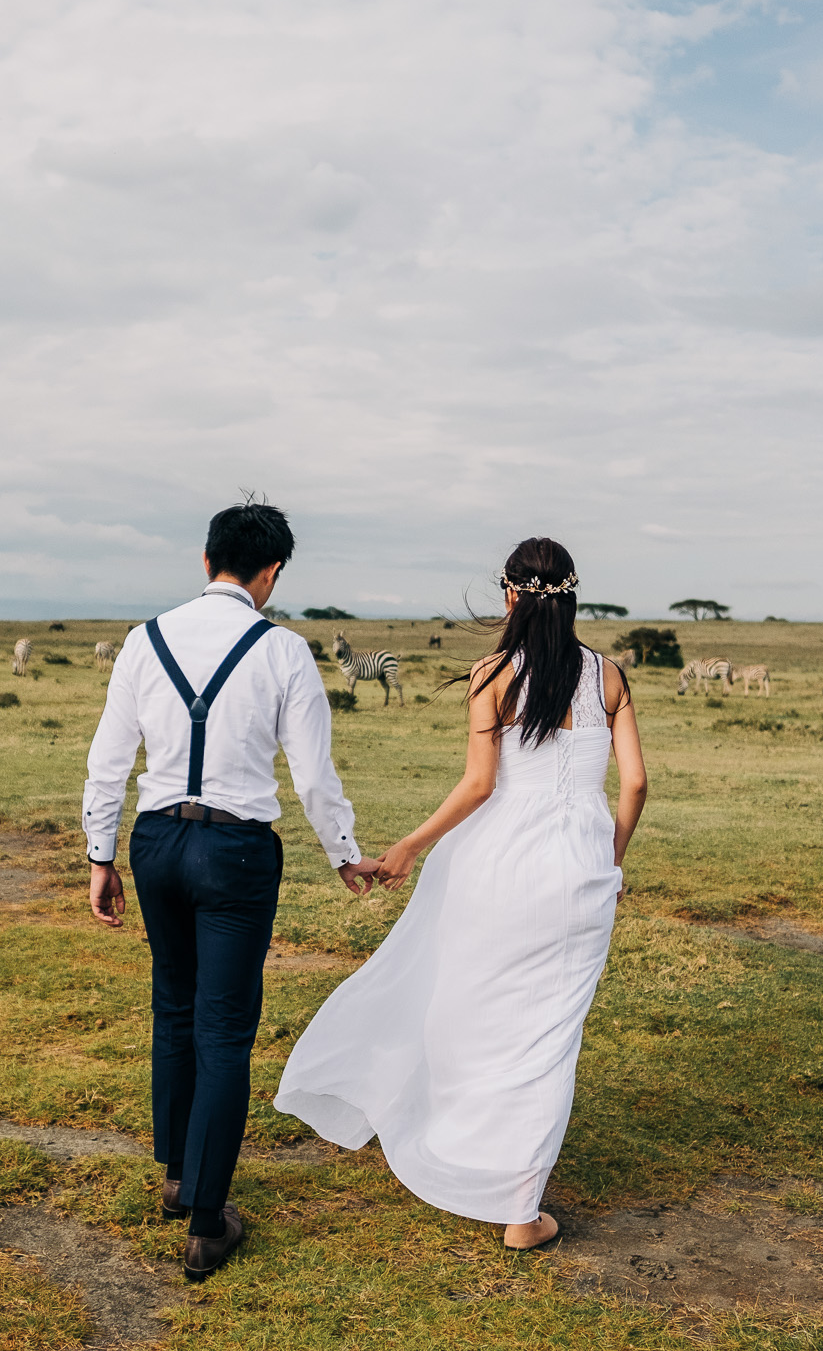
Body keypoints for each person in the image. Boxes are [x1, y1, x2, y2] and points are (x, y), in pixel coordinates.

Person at [274, 536, 648, 1251]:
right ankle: (520, 1209)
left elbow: (480, 785)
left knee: (472, 1009)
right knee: (550, 1034)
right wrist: (611, 859)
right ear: (573, 596)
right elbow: (633, 784)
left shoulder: (492, 675)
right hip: (581, 874)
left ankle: (463, 1152)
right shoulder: (608, 677)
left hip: (498, 867)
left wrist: (409, 847)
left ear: (510, 595)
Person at [82, 500, 382, 1281]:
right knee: (223, 1029)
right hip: (237, 850)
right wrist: (344, 854)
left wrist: (99, 853)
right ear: (272, 572)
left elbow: (108, 757)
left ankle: (180, 1174)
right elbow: (314, 777)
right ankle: (209, 1221)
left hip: (155, 841)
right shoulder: (284, 651)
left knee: (172, 1005)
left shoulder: (144, 640)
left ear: (205, 558)